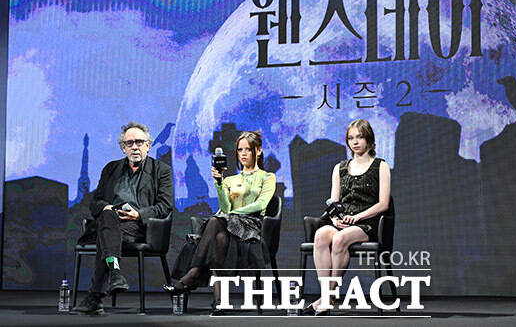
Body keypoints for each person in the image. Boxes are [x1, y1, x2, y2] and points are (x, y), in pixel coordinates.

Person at [163, 131, 276, 315]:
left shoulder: (267, 177)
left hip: (250, 226)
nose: (243, 153)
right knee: (220, 238)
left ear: (259, 151)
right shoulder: (230, 180)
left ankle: (194, 274)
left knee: (217, 221)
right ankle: (219, 303)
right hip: (228, 226)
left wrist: (233, 213)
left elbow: (261, 204)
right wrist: (218, 183)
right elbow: (225, 206)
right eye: (240, 150)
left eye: (248, 149)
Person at [71, 122, 174, 315]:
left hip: (140, 227)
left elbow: (165, 206)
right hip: (111, 221)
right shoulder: (111, 169)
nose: (135, 147)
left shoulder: (162, 170)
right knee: (107, 217)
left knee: (105, 232)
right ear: (123, 148)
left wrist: (138, 214)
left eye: (139, 142)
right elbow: (96, 203)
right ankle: (115, 273)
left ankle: (96, 295)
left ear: (148, 145)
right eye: (130, 143)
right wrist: (107, 207)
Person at [301, 119, 391, 316]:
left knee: (340, 239)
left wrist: (357, 217)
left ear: (369, 139)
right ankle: (326, 296)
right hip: (342, 220)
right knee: (320, 235)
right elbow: (334, 202)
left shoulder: (380, 166)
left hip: (366, 223)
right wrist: (335, 219)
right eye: (351, 138)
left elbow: (383, 204)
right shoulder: (340, 168)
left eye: (359, 137)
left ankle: (326, 298)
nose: (355, 142)